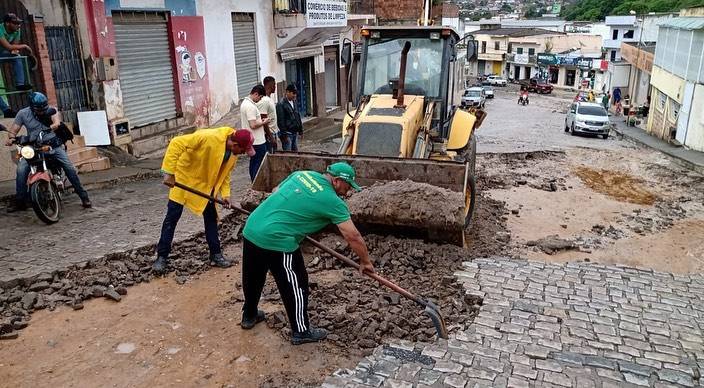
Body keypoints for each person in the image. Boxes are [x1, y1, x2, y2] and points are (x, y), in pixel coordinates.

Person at [240, 162, 375, 344]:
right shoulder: (332, 201)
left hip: (253, 227)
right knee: (296, 284)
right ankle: (301, 331)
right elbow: (353, 236)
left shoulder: (301, 175)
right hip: (278, 240)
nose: (349, 190)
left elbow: (276, 191)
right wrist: (365, 261)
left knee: (253, 277)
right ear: (336, 181)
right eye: (348, 185)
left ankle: (249, 315)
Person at [152, 127, 256, 274]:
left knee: (211, 218)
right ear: (235, 144)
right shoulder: (209, 137)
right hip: (185, 179)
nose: (244, 153)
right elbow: (176, 143)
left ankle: (216, 255)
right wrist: (169, 172)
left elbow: (225, 174)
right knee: (172, 218)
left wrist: (226, 195)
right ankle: (161, 257)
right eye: (243, 150)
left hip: (206, 186)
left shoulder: (233, 153)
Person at [5, 92, 91, 212]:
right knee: (21, 169)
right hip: (34, 147)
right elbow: (13, 130)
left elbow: (56, 121)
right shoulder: (23, 114)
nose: (41, 111)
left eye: (43, 108)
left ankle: (83, 196)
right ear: (32, 106)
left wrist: (52, 126)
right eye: (38, 109)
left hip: (52, 146)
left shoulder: (51, 110)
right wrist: (11, 138)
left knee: (69, 167)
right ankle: (20, 202)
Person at [0, 13, 33, 117]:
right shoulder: (0, 29)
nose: (18, 25)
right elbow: (9, 46)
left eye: (19, 23)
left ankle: (20, 84)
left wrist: (15, 51)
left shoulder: (17, 30)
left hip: (1, 54)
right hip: (3, 51)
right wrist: (25, 46)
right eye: (15, 23)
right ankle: (6, 110)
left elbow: (14, 48)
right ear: (7, 23)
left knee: (17, 57)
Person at [240, 84, 271, 181]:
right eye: (260, 97)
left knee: (254, 162)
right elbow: (253, 124)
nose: (260, 100)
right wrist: (264, 122)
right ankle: (256, 182)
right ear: (256, 94)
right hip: (257, 141)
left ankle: (254, 182)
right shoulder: (250, 107)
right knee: (258, 163)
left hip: (252, 139)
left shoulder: (245, 103)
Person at [276, 84, 303, 151]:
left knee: (295, 153)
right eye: (293, 93)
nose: (295, 95)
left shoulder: (294, 101)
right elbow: (280, 121)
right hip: (287, 134)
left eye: (295, 93)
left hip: (294, 133)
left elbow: (297, 116)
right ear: (287, 92)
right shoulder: (281, 104)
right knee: (288, 153)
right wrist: (284, 135)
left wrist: (300, 130)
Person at [256, 76, 279, 153]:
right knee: (270, 157)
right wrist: (271, 137)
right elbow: (263, 120)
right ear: (270, 85)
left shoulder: (269, 99)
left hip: (273, 132)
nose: (275, 87)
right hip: (268, 135)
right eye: (274, 85)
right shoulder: (264, 100)